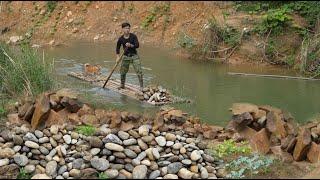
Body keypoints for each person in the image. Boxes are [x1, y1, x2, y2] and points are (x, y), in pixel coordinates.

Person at [116, 22, 143, 91]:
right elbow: (117, 48)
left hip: (134, 56)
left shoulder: (133, 36)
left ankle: (141, 87)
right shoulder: (121, 39)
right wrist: (118, 56)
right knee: (122, 72)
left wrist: (131, 45)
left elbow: (137, 45)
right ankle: (122, 85)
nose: (127, 30)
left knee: (139, 71)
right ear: (122, 29)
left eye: (128, 28)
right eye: (126, 28)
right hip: (125, 57)